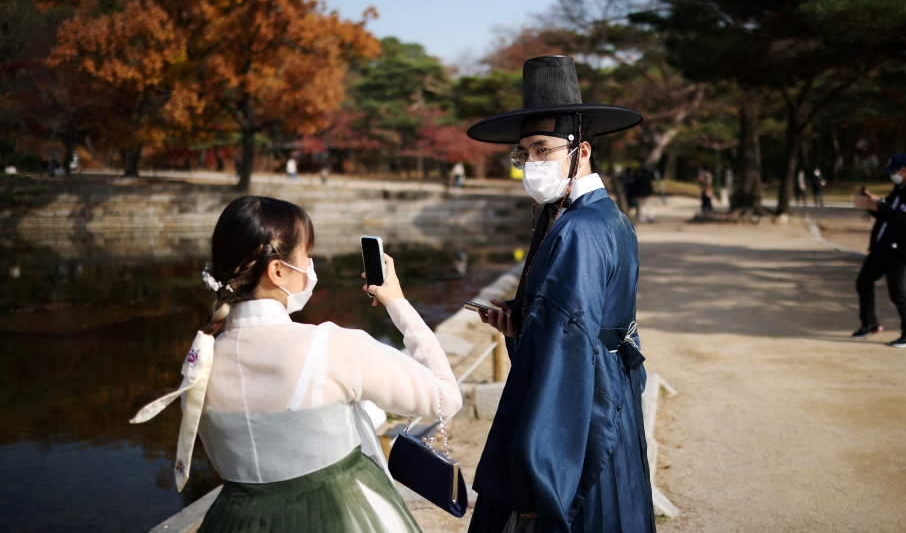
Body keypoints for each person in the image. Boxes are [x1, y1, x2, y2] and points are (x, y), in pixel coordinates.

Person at [130, 196, 461, 532]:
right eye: (306, 255)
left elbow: (275, 437)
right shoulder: (330, 346)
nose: (310, 264)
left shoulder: (199, 364)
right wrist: (398, 304)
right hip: (341, 515)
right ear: (277, 271)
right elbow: (445, 399)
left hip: (235, 521)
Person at [466, 55, 654, 533]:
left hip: (580, 412)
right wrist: (521, 322)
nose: (531, 163)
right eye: (523, 152)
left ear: (581, 150)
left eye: (543, 149)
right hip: (609, 394)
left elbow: (566, 350)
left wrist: (540, 476)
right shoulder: (604, 215)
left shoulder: (578, 230)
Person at [851, 153, 906, 347]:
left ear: (904, 170)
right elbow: (887, 215)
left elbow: (901, 219)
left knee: (897, 291)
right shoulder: (899, 189)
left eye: (894, 171)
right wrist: (870, 204)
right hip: (882, 247)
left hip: (898, 251)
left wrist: (881, 203)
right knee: (864, 282)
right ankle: (869, 324)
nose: (892, 175)